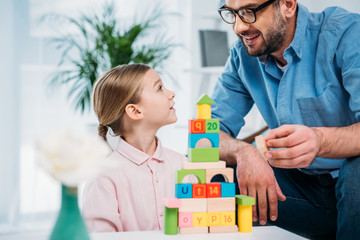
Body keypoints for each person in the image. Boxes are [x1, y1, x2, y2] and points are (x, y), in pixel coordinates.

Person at [212, 0, 360, 239]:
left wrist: (319, 140)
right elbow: (205, 134)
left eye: (249, 12)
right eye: (232, 14)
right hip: (302, 190)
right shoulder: (243, 55)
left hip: (350, 184)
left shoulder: (345, 34)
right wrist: (244, 153)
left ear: (288, 5)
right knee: (215, 174)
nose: (238, 27)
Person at [82, 64, 187, 232]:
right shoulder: (103, 178)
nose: (171, 93)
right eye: (160, 88)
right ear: (135, 111)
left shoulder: (184, 165)